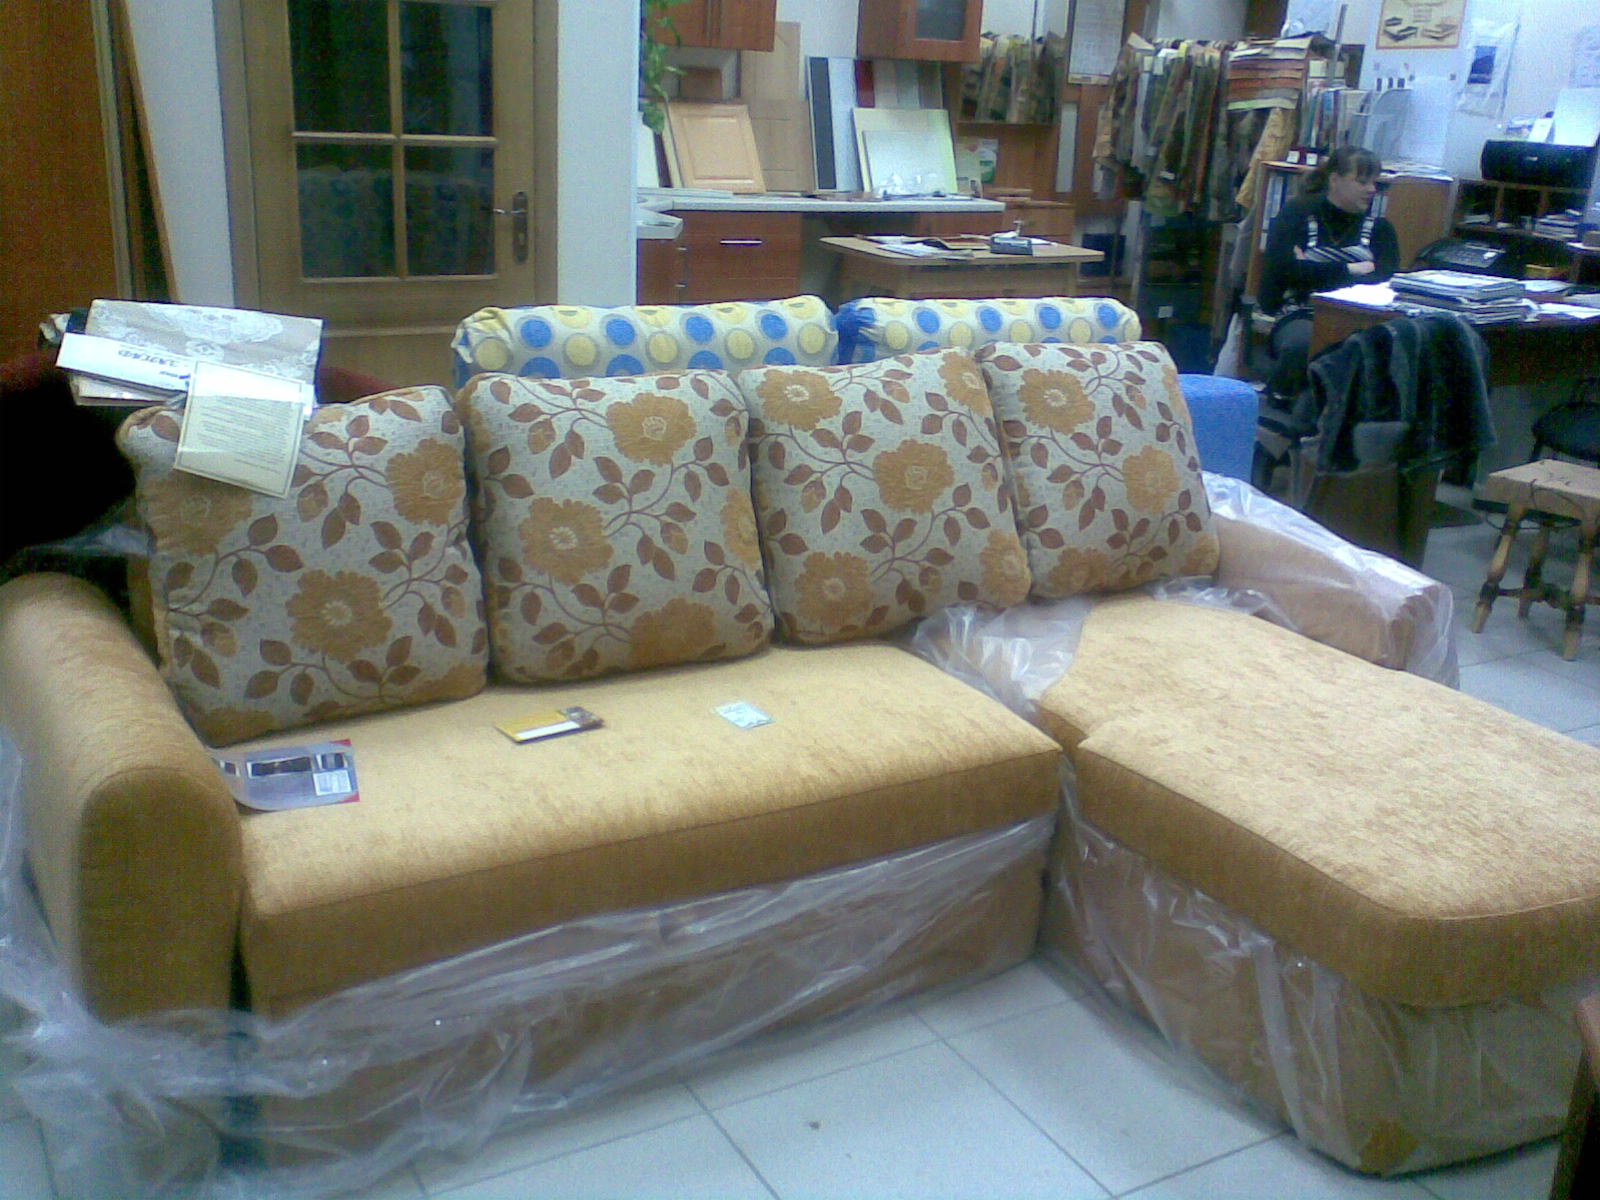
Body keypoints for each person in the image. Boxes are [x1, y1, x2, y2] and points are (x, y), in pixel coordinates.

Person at [1258, 146, 1400, 403]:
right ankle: (1283, 405)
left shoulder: (1381, 229)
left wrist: (1312, 270)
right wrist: (1351, 269)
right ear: (1335, 179)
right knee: (1302, 344)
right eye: (1362, 181)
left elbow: (1384, 280)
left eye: (1374, 182)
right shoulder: (1297, 216)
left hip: (1361, 316)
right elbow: (1283, 274)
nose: (1371, 189)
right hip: (1301, 312)